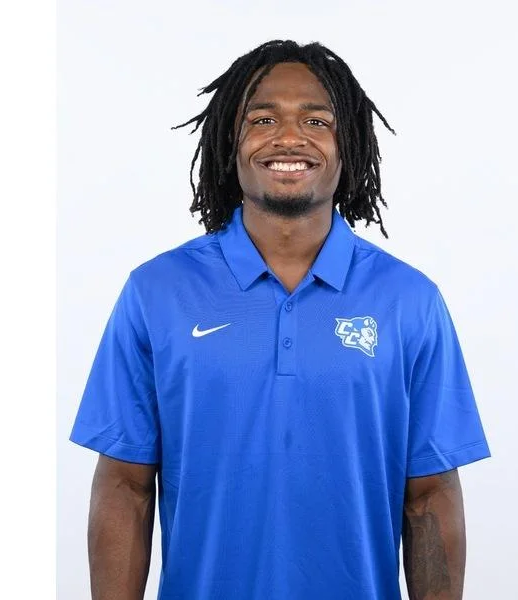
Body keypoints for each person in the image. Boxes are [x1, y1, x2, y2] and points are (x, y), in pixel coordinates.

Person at [70, 39, 490, 600]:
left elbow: (430, 496)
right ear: (231, 141)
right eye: (263, 119)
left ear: (348, 144)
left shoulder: (410, 300)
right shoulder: (156, 292)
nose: (289, 137)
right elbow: (126, 486)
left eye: (316, 120)